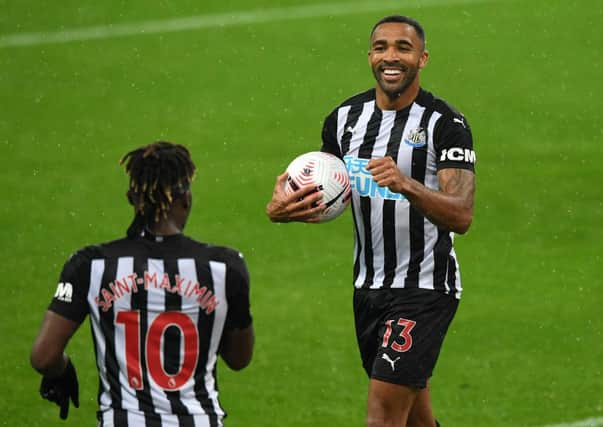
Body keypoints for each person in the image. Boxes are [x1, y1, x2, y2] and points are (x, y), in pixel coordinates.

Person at [266, 15, 475, 427]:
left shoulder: (445, 125)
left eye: (403, 47)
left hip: (425, 288)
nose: (390, 57)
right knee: (415, 418)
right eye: (381, 47)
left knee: (382, 417)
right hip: (368, 291)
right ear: (369, 56)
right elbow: (326, 189)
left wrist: (406, 183)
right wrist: (282, 209)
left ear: (423, 58)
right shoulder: (344, 120)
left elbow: (462, 214)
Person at [31, 141, 254, 427]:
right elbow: (239, 359)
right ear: (186, 198)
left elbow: (44, 356)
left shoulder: (91, 265)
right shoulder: (225, 267)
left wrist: (60, 372)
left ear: (130, 198)